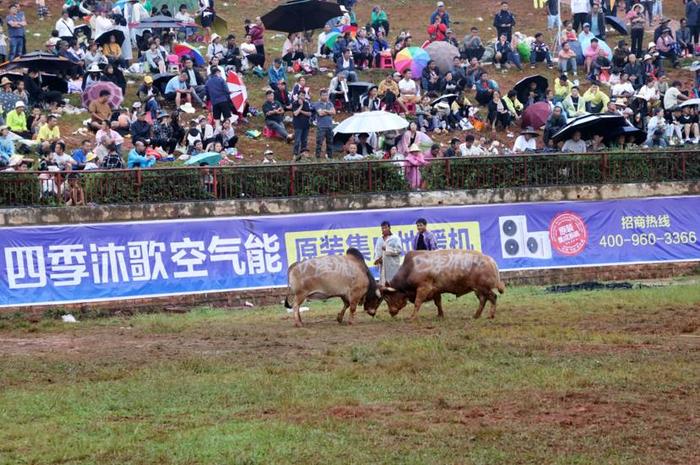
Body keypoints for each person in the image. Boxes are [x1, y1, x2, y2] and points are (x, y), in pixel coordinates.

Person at [373, 221, 403, 286]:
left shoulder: (395, 238)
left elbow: (399, 250)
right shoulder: (380, 239)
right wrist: (377, 260)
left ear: (389, 228)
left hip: (392, 264)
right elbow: (377, 251)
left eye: (385, 228)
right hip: (383, 265)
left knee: (393, 282)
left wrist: (387, 249)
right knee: (383, 282)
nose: (384, 230)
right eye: (382, 228)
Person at [314, 89, 335, 159]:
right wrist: (329, 112)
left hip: (329, 126)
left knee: (330, 143)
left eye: (326, 95)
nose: (325, 97)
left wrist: (325, 111)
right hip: (321, 127)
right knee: (319, 143)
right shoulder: (317, 104)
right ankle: (317, 159)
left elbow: (334, 112)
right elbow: (320, 113)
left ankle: (330, 159)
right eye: (323, 95)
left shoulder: (330, 103)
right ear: (320, 96)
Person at [291, 91, 311, 160]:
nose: (302, 96)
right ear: (298, 96)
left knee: (304, 140)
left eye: (303, 95)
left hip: (306, 125)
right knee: (297, 140)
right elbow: (295, 113)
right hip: (298, 125)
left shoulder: (306, 103)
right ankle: (295, 154)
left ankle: (303, 154)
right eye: (301, 95)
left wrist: (301, 111)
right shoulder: (294, 103)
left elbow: (309, 114)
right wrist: (301, 106)